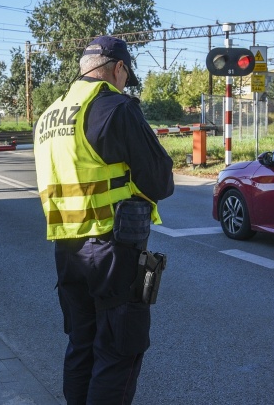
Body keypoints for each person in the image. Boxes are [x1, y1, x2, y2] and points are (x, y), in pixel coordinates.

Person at [33, 36, 175, 404]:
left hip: (67, 250)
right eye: (126, 75)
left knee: (82, 346)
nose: (125, 82)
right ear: (118, 68)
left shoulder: (49, 115)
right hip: (112, 250)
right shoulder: (115, 107)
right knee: (117, 352)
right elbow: (160, 180)